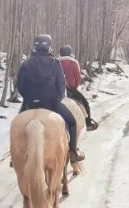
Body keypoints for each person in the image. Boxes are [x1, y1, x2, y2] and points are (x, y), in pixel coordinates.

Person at [17, 34, 85, 163]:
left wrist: (28, 98)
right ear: (49, 47)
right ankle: (73, 152)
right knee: (71, 123)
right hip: (51, 101)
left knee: (18, 126)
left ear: (35, 46)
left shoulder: (26, 63)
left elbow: (20, 85)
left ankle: (16, 155)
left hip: (30, 102)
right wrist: (57, 99)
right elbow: (60, 85)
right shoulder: (55, 63)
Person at [58, 45, 99, 131]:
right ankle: (88, 124)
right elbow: (78, 79)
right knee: (85, 104)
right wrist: (74, 89)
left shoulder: (55, 62)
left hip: (57, 89)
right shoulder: (73, 62)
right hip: (70, 89)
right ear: (70, 53)